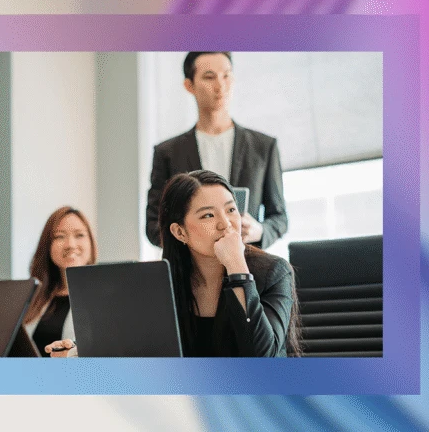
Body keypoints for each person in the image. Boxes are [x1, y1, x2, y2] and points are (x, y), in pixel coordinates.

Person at [47, 170, 300, 357]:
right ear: (180, 233)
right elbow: (138, 352)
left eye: (231, 210)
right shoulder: (163, 284)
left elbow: (263, 359)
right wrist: (78, 353)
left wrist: (237, 267)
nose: (226, 223)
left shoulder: (274, 273)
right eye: (208, 215)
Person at [145, 51, 288, 250]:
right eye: (209, 77)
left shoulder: (263, 146)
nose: (220, 86)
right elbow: (153, 225)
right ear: (189, 85)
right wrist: (192, 237)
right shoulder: (167, 153)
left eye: (226, 75)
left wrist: (259, 230)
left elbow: (280, 218)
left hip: (248, 265)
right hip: (190, 273)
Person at [22, 206, 97, 357]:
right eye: (59, 236)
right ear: (47, 246)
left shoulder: (104, 298)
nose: (70, 244)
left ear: (91, 243)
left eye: (79, 235)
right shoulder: (31, 298)